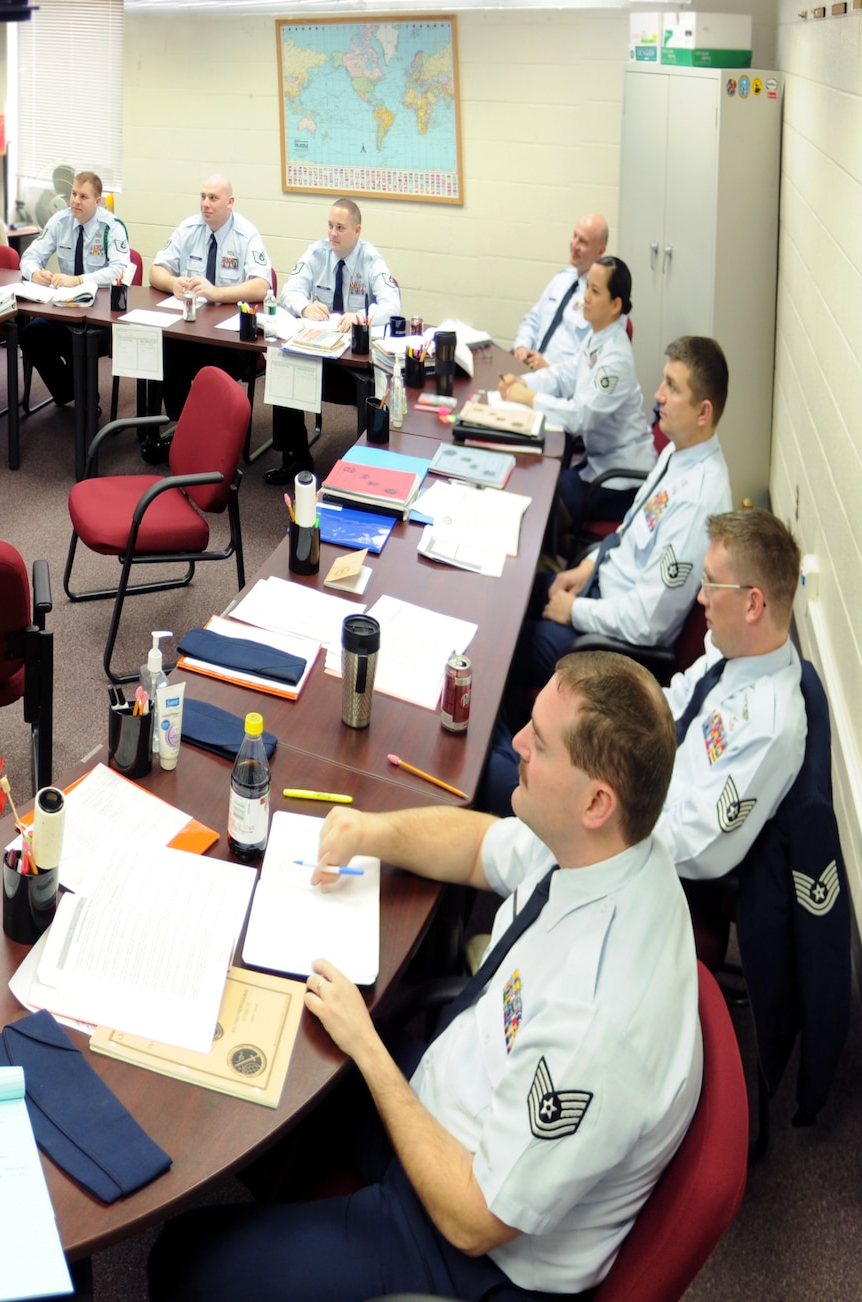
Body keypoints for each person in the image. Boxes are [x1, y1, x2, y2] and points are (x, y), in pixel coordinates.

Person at [151, 652, 698, 1302]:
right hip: (457, 1097)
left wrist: (370, 1051)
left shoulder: (599, 1028)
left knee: (181, 1263)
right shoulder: (603, 847)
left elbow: (473, 1220)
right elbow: (476, 848)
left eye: (540, 744)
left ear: (596, 801)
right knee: (263, 1072)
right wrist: (370, 832)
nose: (517, 743)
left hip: (468, 1249)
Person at [486, 510, 805, 884]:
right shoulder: (731, 651)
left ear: (752, 605)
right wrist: (597, 730)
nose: (700, 596)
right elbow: (671, 707)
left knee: (488, 768)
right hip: (625, 777)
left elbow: (697, 848)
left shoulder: (770, 729)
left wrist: (597, 818)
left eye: (712, 584)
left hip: (625, 841)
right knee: (507, 733)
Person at [500, 336, 734, 729]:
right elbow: (627, 530)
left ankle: (504, 756)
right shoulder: (679, 452)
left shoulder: (698, 501)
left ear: (703, 411)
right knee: (507, 591)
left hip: (611, 643)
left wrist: (576, 610)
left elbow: (649, 622)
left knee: (500, 643)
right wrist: (586, 568)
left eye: (672, 388)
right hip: (598, 592)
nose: (657, 395)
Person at [498, 256, 655, 524]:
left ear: (616, 305)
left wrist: (530, 398)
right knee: (539, 481)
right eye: (587, 288)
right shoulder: (598, 337)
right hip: (599, 463)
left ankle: (545, 559)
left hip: (622, 479)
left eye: (595, 291)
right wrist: (525, 382)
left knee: (542, 492)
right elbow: (564, 374)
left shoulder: (616, 358)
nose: (586, 298)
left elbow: (580, 417)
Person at [270, 198, 401, 485]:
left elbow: (393, 306)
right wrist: (305, 307)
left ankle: (364, 468)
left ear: (357, 230)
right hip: (320, 350)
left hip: (354, 361)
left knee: (368, 385)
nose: (332, 233)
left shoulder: (371, 260)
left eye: (340, 228)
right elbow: (289, 292)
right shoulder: (317, 253)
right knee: (283, 364)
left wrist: (361, 316)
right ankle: (296, 459)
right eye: (330, 226)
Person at [147, 174, 272, 458]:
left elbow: (262, 286)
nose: (205, 204)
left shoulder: (246, 234)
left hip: (231, 336)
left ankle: (206, 438)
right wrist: (172, 283)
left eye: (213, 198)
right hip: (194, 327)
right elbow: (157, 269)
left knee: (216, 367)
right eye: (203, 197)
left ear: (230, 202)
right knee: (168, 348)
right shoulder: (189, 228)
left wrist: (217, 293)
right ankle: (182, 427)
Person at [15, 171, 130, 410]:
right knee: (29, 335)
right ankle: (70, 391)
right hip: (64, 307)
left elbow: (119, 270)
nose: (76, 201)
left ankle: (86, 401)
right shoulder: (60, 221)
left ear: (97, 201)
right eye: (74, 194)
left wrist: (79, 280)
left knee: (74, 341)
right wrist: (35, 272)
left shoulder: (111, 227)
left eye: (84, 196)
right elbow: (29, 256)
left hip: (100, 313)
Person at [512, 213, 608, 377]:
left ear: (600, 251)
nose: (574, 245)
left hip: (559, 384)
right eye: (574, 236)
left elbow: (592, 362)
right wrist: (522, 346)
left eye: (583, 242)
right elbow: (533, 320)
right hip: (529, 371)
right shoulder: (561, 280)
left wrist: (550, 368)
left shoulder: (601, 299)